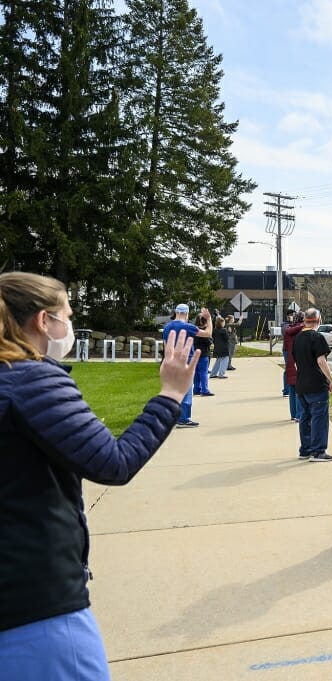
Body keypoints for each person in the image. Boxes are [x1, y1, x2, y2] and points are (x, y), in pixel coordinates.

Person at [0, 271, 198, 680]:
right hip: (34, 605)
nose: (68, 324)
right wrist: (171, 395)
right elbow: (113, 462)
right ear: (43, 321)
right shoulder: (31, 379)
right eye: (66, 314)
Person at [292, 308, 332, 462]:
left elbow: (296, 363)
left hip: (301, 384)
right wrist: (331, 380)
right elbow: (321, 361)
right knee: (319, 418)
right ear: (319, 320)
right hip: (316, 385)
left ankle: (305, 449)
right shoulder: (317, 337)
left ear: (305, 320)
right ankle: (318, 451)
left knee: (305, 417)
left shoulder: (297, 338)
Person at [162, 303, 212, 427]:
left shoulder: (167, 327)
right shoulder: (188, 327)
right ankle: (183, 418)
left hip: (171, 361)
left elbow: (165, 344)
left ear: (176, 312)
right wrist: (209, 319)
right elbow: (208, 333)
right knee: (186, 390)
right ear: (187, 313)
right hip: (186, 361)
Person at [282, 312, 305, 422]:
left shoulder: (287, 331)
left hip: (290, 362)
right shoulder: (302, 331)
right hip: (300, 362)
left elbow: (286, 348)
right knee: (300, 392)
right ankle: (300, 414)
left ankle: (294, 414)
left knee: (292, 391)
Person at [191, 315, 214, 397]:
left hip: (195, 354)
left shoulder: (194, 330)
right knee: (203, 372)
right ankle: (204, 389)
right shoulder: (204, 332)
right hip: (203, 354)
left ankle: (196, 389)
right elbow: (209, 342)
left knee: (196, 373)